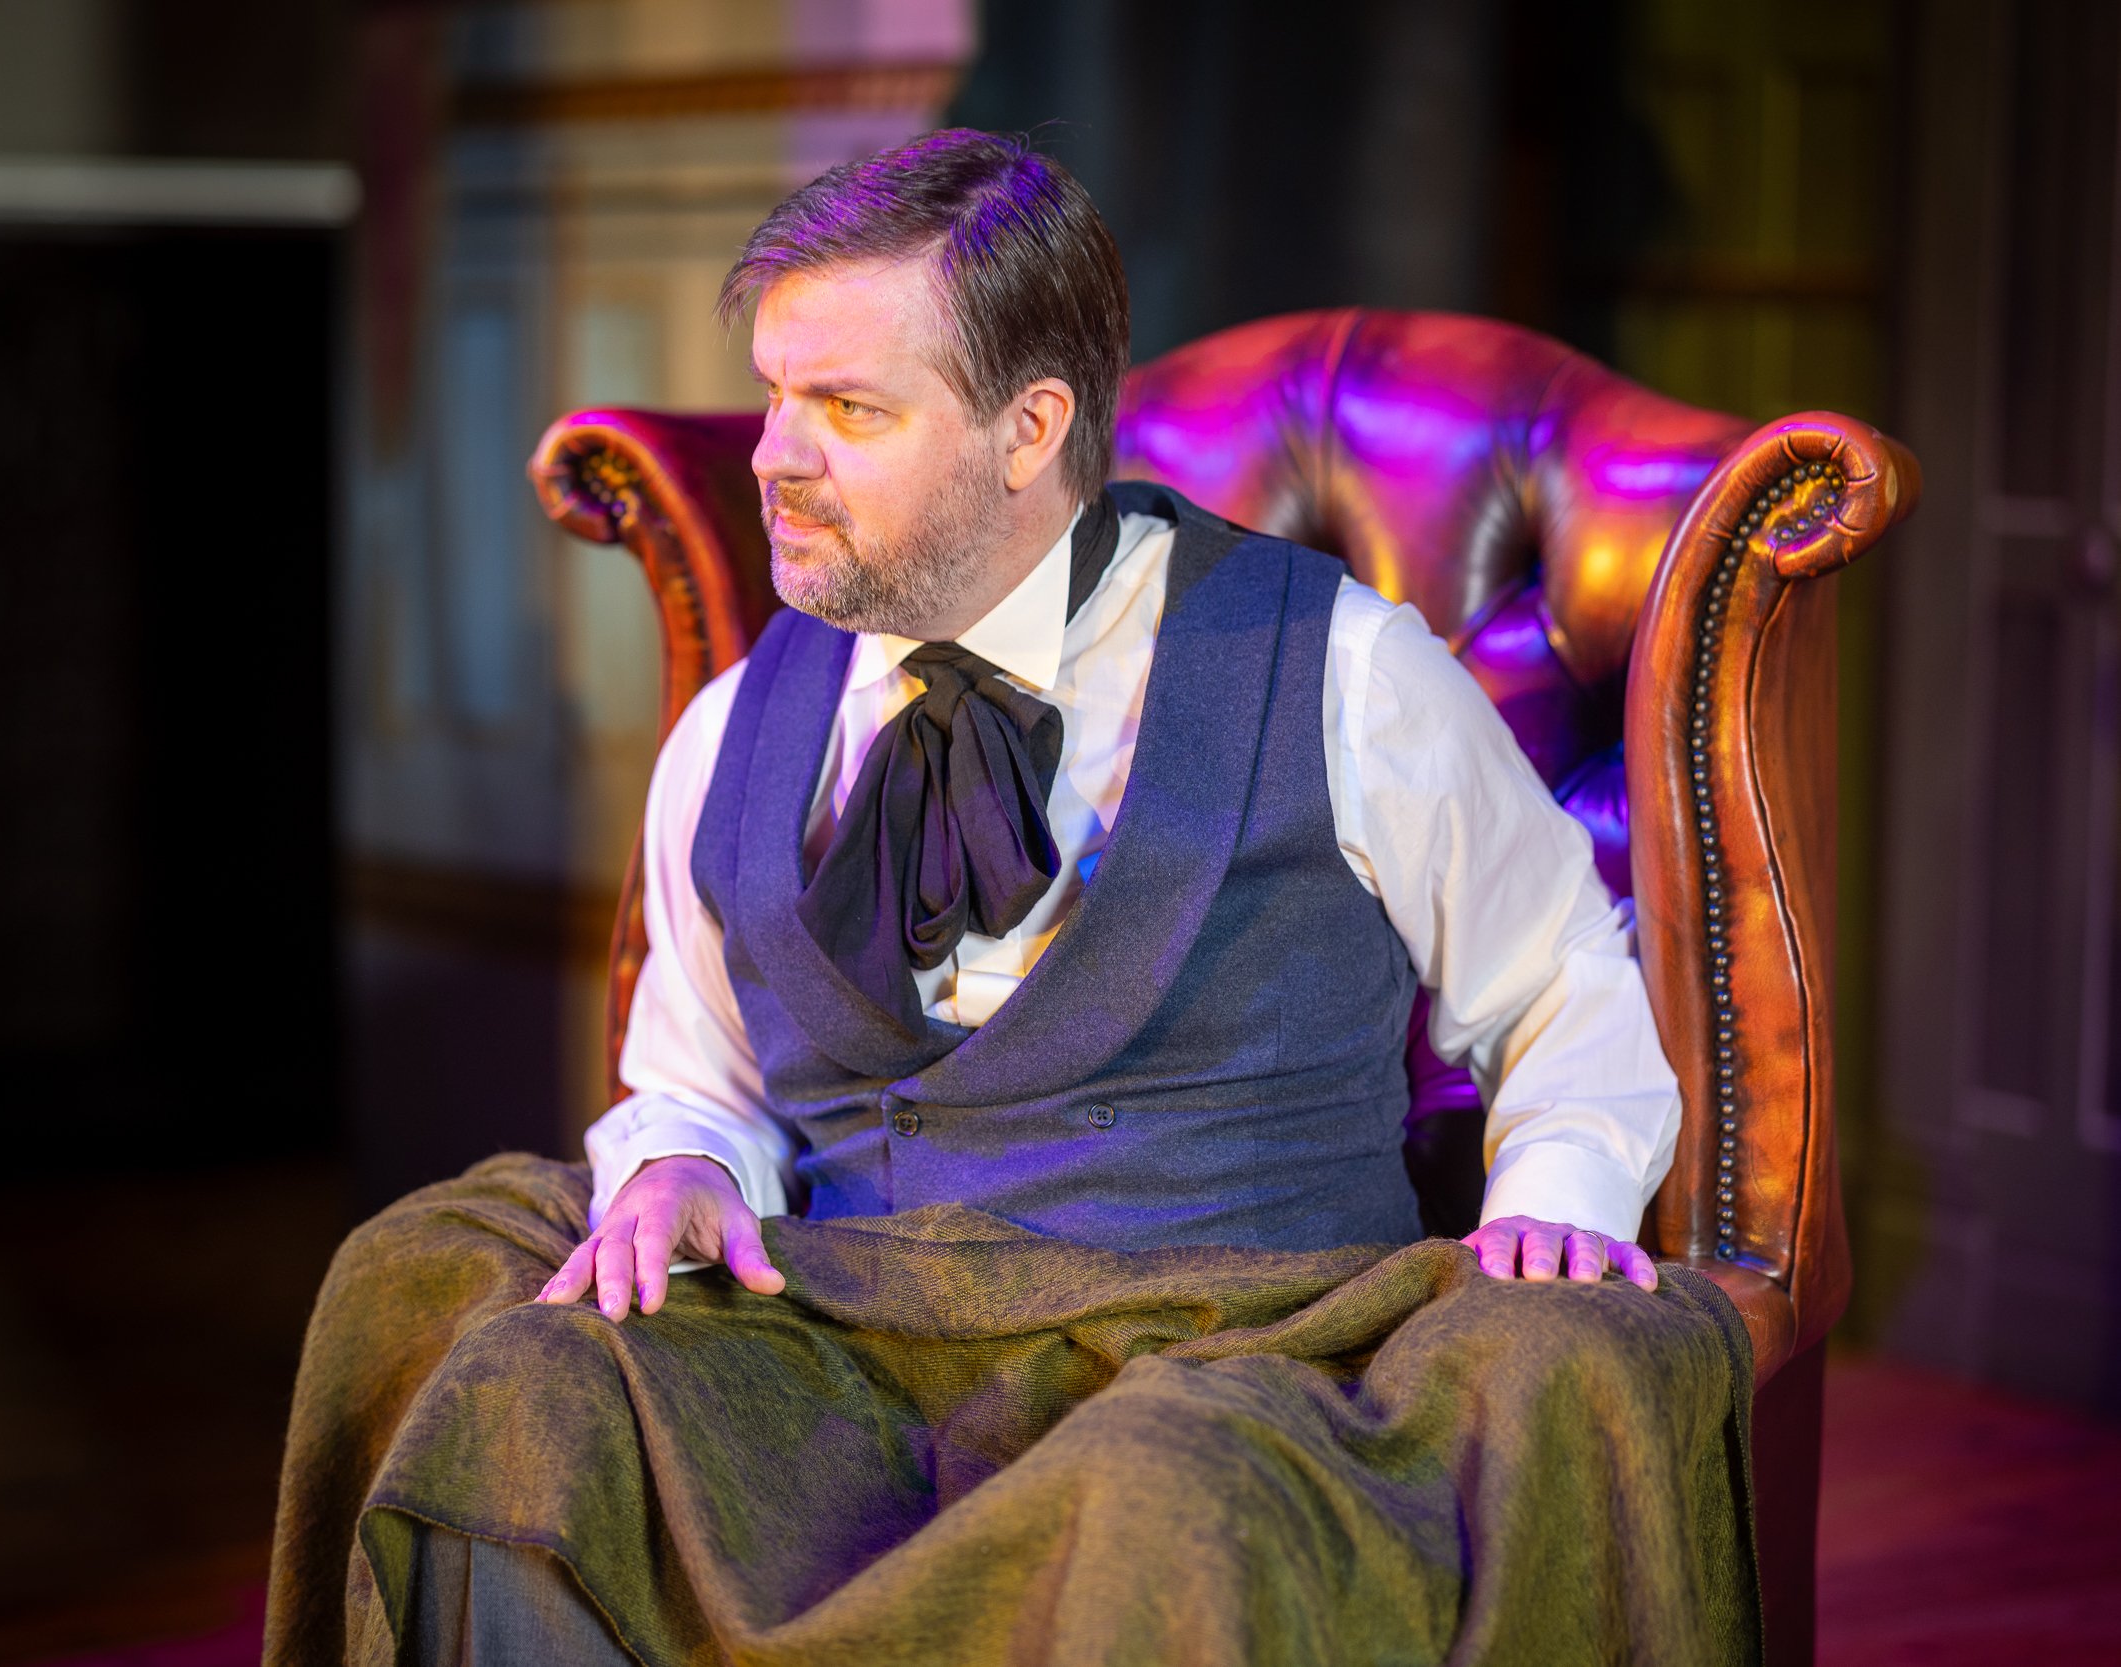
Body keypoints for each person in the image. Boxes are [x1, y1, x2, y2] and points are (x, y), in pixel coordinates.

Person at [267, 129, 1751, 1667]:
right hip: (848, 1338)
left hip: (1230, 1345)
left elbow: (1563, 972)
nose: (774, 455)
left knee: (1165, 1499)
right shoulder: (737, 730)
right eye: (777, 392)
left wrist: (1558, 1198)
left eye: (847, 408)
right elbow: (695, 1072)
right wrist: (687, 1166)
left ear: (1029, 426)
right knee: (511, 1380)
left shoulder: (1343, 673)